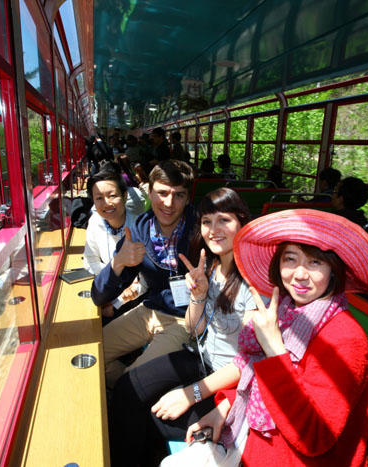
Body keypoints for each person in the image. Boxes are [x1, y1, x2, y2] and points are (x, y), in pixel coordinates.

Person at [160, 209, 368, 466]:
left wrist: (275, 351)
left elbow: (315, 435)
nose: (300, 274)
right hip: (248, 429)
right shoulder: (287, 310)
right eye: (290, 259)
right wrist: (224, 408)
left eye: (315, 262)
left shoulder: (345, 339)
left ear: (334, 271)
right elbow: (256, 376)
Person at [109, 188, 255, 466]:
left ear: (242, 222)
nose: (214, 230)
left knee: (152, 413)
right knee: (128, 387)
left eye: (224, 220)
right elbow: (195, 328)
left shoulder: (252, 282)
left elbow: (249, 361)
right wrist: (198, 295)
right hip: (199, 359)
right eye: (207, 221)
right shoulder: (210, 266)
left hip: (229, 381)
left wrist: (193, 393)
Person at [91, 160, 197, 387]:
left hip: (186, 320)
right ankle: (129, 392)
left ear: (188, 198)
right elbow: (98, 296)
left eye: (178, 195)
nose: (168, 203)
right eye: (161, 193)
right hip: (151, 310)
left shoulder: (200, 229)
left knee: (132, 381)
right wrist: (118, 262)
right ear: (149, 192)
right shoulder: (139, 229)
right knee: (93, 355)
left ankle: (130, 390)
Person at [83, 171, 147, 318]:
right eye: (99, 198)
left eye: (112, 196)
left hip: (133, 298)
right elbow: (89, 260)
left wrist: (116, 302)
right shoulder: (95, 222)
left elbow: (145, 280)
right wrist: (110, 276)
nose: (107, 203)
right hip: (104, 290)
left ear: (124, 196)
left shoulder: (140, 227)